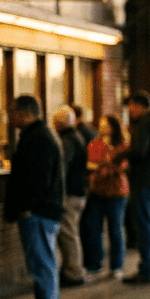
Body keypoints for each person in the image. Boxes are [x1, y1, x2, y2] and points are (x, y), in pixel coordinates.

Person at [4, 96, 65, 299]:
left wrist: (27, 208)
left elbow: (37, 180)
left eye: (12, 112)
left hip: (39, 213)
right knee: (42, 264)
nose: (10, 118)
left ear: (24, 113)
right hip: (42, 211)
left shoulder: (38, 138)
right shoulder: (40, 135)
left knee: (42, 265)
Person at [113, 92, 150, 284]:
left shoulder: (145, 123)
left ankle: (147, 270)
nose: (129, 111)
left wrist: (120, 155)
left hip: (146, 183)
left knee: (146, 227)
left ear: (137, 105)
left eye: (130, 106)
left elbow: (140, 150)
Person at [83, 115, 128, 277]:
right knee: (94, 228)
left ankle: (116, 266)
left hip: (117, 192)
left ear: (113, 126)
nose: (102, 127)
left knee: (115, 229)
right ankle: (95, 264)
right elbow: (89, 164)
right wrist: (105, 165)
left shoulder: (122, 145)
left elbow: (120, 166)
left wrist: (101, 166)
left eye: (106, 124)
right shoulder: (94, 144)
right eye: (101, 123)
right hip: (97, 190)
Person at [51, 107, 89, 288]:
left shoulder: (68, 140)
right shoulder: (77, 136)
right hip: (79, 191)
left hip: (71, 194)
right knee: (71, 233)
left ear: (59, 123)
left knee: (68, 234)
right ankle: (72, 269)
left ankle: (74, 272)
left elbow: (62, 167)